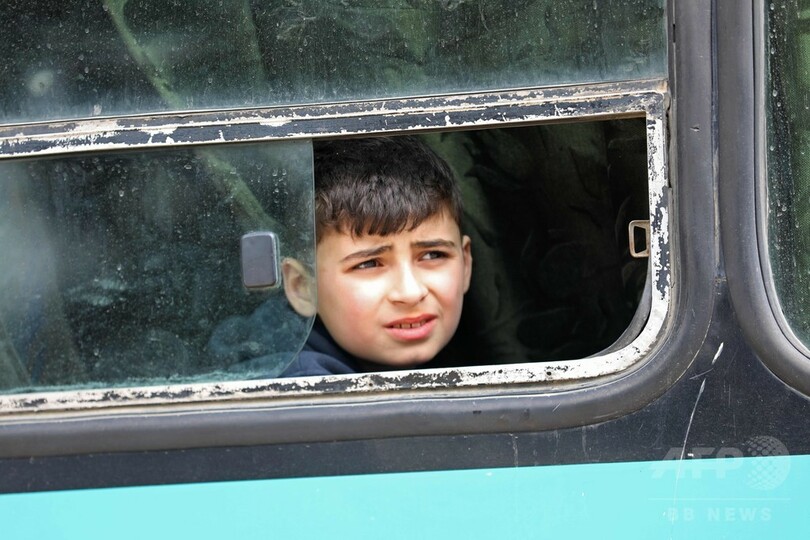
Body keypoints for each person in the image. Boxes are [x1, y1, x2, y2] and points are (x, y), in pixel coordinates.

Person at [280, 136, 472, 377]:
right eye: (368, 264)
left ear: (466, 264)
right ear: (302, 287)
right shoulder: (306, 388)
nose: (411, 293)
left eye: (433, 255)